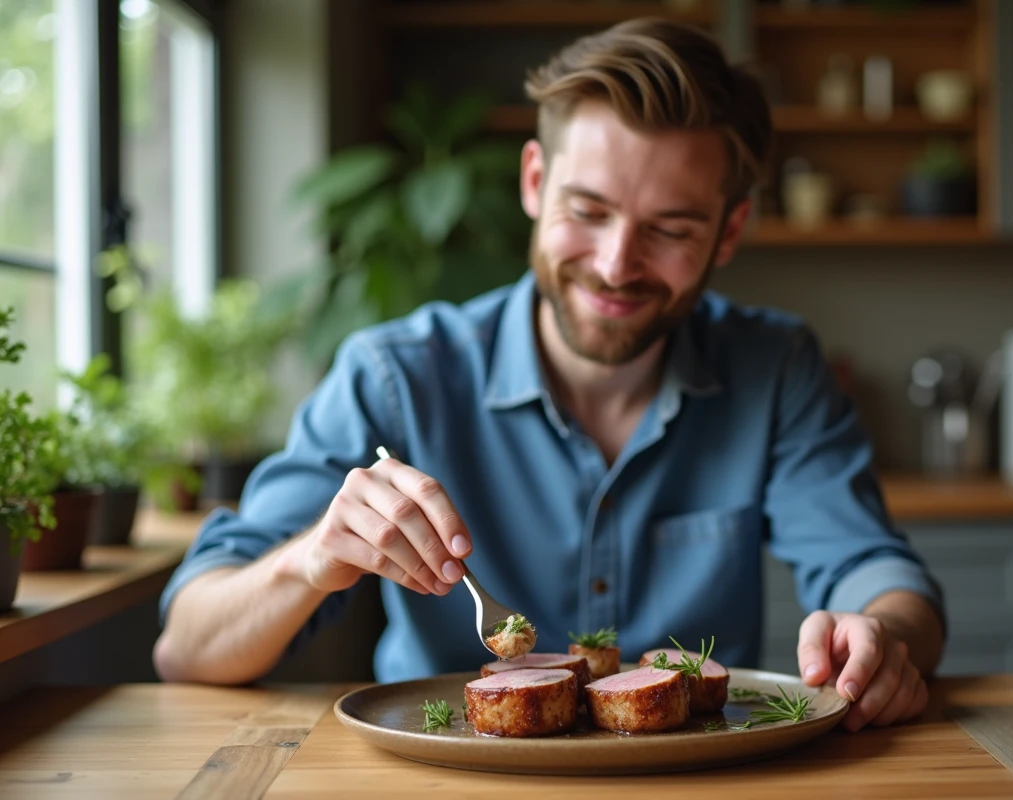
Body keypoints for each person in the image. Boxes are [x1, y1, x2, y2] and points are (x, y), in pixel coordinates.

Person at [153, 17, 945, 733]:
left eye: (669, 228)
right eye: (588, 211)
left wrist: (882, 638)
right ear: (535, 182)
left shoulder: (776, 369)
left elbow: (876, 572)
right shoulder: (394, 377)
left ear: (729, 230)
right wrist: (312, 558)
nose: (614, 264)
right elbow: (188, 646)